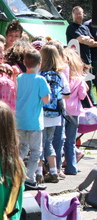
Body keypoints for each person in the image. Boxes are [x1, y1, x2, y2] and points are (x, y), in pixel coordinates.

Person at [15, 49, 50, 191]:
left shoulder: (18, 78)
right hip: (34, 122)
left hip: (19, 120)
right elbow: (46, 100)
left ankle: (15, 174)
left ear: (24, 62)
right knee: (35, 151)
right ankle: (29, 178)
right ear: (39, 64)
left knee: (21, 149)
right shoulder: (40, 80)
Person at [39, 45, 70, 184]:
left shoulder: (40, 74)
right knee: (49, 143)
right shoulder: (60, 75)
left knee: (39, 143)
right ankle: (53, 171)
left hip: (41, 114)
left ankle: (38, 173)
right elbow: (66, 95)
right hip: (55, 115)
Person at [62, 48, 88, 176]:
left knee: (60, 139)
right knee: (71, 141)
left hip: (62, 111)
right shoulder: (79, 79)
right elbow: (82, 96)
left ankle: (55, 166)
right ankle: (72, 167)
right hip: (74, 113)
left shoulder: (62, 77)